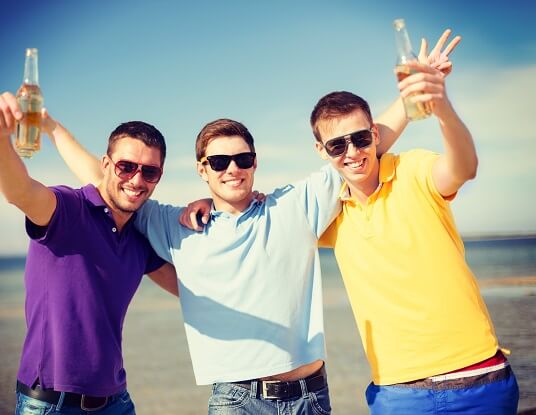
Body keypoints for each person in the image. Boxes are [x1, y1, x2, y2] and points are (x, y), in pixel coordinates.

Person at [50, 31, 459, 415]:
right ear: (202, 170)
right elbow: (109, 182)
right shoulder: (173, 223)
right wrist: (50, 127)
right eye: (220, 162)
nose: (233, 170)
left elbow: (360, 146)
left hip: (309, 397)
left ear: (255, 163)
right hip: (236, 400)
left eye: (243, 160)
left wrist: (413, 95)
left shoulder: (293, 206)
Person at [310, 62, 519, 413]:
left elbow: (464, 167)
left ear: (375, 135)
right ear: (322, 151)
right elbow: (263, 222)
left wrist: (441, 109)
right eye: (336, 146)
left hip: (479, 381)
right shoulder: (327, 213)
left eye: (361, 138)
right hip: (398, 395)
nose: (352, 152)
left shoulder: (413, 170)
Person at [0, 92, 179, 415]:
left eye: (149, 172)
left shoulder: (139, 238)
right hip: (50, 404)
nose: (137, 180)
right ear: (106, 165)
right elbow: (20, 191)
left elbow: (191, 290)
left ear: (158, 177)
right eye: (126, 167)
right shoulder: (69, 210)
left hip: (117, 402)